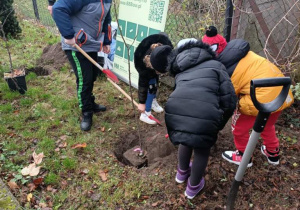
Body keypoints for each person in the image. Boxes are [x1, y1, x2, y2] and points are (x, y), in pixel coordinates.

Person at [149, 40, 237, 199]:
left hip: (176, 111)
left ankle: (181, 173)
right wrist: (218, 123)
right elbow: (229, 101)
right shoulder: (217, 66)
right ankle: (193, 187)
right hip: (205, 115)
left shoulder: (182, 70)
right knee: (202, 149)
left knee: (186, 139)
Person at [202, 26, 294, 167]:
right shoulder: (244, 53)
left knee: (238, 128)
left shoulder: (227, 71)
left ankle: (244, 156)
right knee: (267, 124)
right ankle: (272, 153)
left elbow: (228, 98)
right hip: (282, 92)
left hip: (261, 98)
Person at [50, 0, 112, 131]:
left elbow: (106, 19)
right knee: (85, 79)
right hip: (76, 46)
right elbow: (58, 9)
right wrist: (68, 35)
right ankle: (86, 112)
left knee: (93, 76)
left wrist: (107, 41)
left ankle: (90, 102)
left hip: (91, 44)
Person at [134, 33, 173, 124]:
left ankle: (152, 102)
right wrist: (141, 103)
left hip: (155, 61)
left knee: (155, 81)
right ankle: (145, 113)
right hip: (143, 62)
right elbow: (142, 84)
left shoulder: (166, 50)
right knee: (151, 86)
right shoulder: (143, 66)